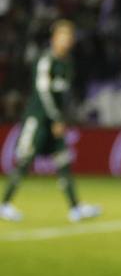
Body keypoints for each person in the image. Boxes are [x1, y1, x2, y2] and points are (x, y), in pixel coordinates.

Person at [1, 20, 101, 225]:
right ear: (54, 38)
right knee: (25, 160)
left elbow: (64, 95)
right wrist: (56, 118)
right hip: (38, 118)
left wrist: (62, 117)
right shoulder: (45, 60)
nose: (67, 41)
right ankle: (4, 204)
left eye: (70, 37)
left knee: (64, 161)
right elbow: (43, 92)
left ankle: (75, 208)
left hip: (55, 122)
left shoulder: (68, 63)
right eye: (63, 36)